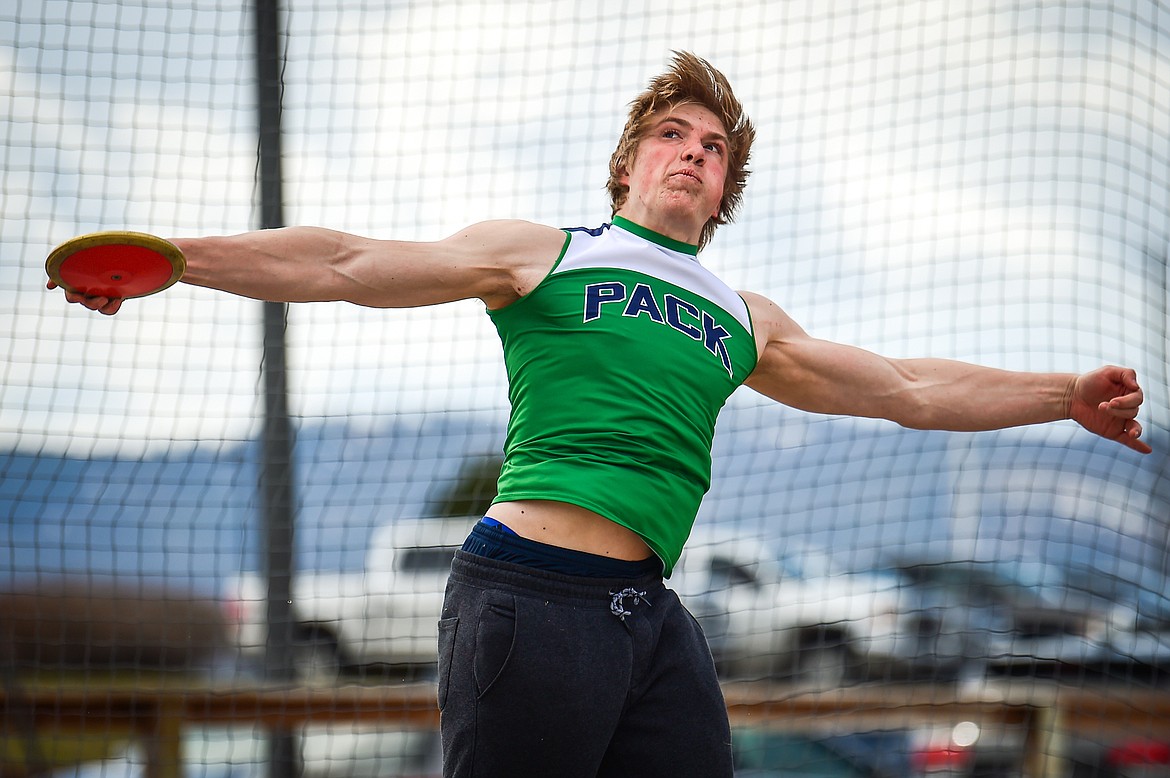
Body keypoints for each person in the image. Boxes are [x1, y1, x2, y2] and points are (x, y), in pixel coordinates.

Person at [51, 52, 1150, 777]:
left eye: (715, 151)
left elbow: (908, 389)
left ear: (723, 195)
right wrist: (178, 260)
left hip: (647, 614)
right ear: (630, 162)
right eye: (675, 134)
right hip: (527, 599)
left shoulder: (743, 316)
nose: (695, 153)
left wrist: (1061, 396)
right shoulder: (549, 252)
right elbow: (345, 261)